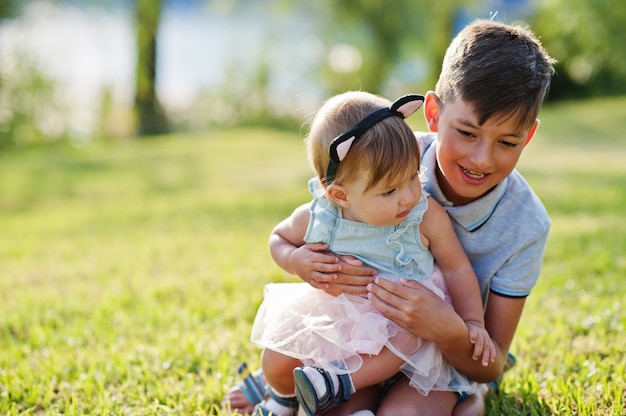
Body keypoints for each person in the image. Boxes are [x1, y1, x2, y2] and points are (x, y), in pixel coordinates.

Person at [222, 18, 555, 416]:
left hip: (441, 355)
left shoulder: (526, 224)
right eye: (466, 133)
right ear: (431, 113)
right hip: (356, 341)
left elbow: (491, 361)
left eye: (507, 142)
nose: (482, 158)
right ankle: (282, 389)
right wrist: (308, 265)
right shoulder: (385, 154)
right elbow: (323, 224)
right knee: (334, 405)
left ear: (528, 137)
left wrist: (450, 329)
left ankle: (462, 398)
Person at [248, 91, 495, 416]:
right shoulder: (321, 216)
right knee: (277, 356)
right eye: (390, 191)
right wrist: (296, 260)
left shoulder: (424, 215)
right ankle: (281, 400)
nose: (408, 196)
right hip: (343, 325)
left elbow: (457, 269)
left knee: (409, 336)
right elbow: (278, 237)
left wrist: (473, 321)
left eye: (412, 176)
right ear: (341, 195)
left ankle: (340, 383)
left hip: (407, 328)